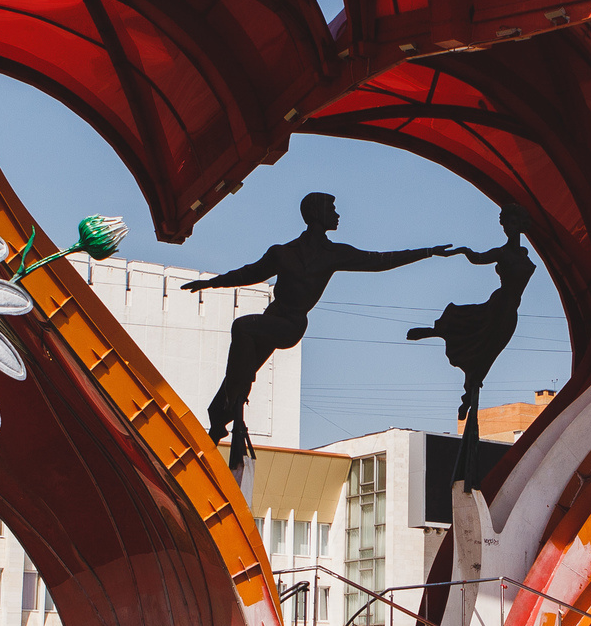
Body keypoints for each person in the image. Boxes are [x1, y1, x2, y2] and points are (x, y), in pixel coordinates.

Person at [182, 193, 456, 451]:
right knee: (246, 358)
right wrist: (212, 283)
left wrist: (428, 251)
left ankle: (232, 402)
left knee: (242, 329)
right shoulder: (282, 252)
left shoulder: (334, 254)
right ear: (316, 213)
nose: (337, 215)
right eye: (332, 209)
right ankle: (221, 419)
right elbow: (250, 273)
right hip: (272, 318)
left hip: (291, 324)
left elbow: (380, 261)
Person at [407, 207, 536, 481]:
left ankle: (468, 393)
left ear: (521, 225)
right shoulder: (502, 252)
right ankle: (439, 337)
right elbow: (477, 257)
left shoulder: (523, 254)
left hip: (510, 312)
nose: (508, 228)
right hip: (499, 306)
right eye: (506, 224)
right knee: (479, 349)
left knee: (486, 354)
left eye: (513, 223)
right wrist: (461, 251)